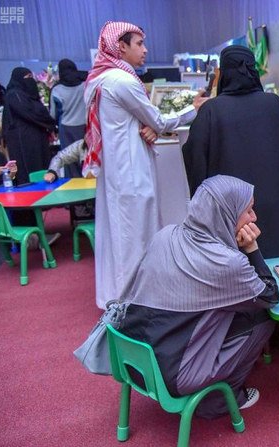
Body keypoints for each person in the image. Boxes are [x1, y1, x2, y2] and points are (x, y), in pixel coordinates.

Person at [117, 175, 279, 417]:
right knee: (264, 319)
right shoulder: (227, 263)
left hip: (132, 360)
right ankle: (219, 400)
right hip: (174, 375)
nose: (254, 217)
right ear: (226, 213)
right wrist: (251, 248)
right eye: (248, 210)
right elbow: (270, 295)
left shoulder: (166, 235)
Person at [84, 21, 206, 309]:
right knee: (134, 237)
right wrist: (194, 109)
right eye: (139, 43)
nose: (145, 49)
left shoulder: (101, 79)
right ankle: (136, 302)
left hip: (117, 172)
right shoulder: (121, 81)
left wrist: (149, 125)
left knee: (120, 237)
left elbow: (141, 121)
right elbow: (159, 120)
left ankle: (120, 296)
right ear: (120, 46)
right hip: (130, 173)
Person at [182, 45, 279, 258]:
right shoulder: (274, 104)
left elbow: (195, 159)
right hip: (276, 201)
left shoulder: (211, 110)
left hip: (232, 212)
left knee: (236, 266)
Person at [2, 67, 56, 185]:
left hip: (36, 138)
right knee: (29, 171)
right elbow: (29, 112)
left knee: (42, 167)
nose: (30, 80)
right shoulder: (14, 94)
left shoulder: (28, 96)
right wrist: (50, 123)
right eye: (27, 77)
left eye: (31, 77)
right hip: (23, 141)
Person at [50, 59, 88, 177]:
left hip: (66, 128)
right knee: (85, 156)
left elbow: (52, 114)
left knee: (68, 159)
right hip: (85, 126)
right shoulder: (84, 84)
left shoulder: (56, 89)